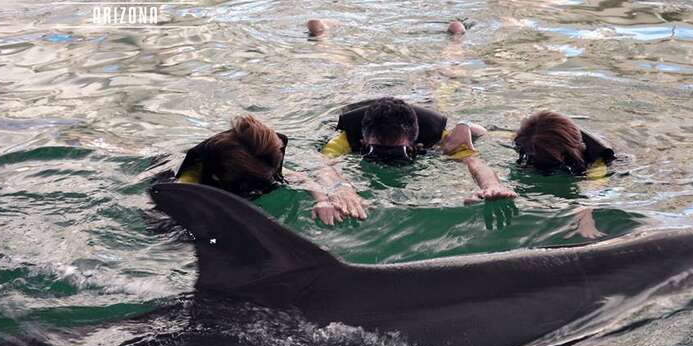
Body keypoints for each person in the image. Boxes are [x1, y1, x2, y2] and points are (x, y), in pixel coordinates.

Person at [315, 97, 516, 221]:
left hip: (422, 106)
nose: (385, 161)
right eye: (374, 152)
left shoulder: (436, 137)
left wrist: (490, 185)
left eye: (396, 154)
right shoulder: (346, 139)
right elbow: (322, 166)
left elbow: (476, 164)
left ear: (415, 147)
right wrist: (339, 187)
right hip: (358, 105)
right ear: (363, 143)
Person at [172, 115, 347, 225]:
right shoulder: (190, 184)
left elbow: (297, 177)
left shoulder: (261, 159)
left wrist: (322, 200)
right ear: (220, 177)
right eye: (261, 180)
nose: (272, 179)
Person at [510, 110, 617, 239]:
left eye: (549, 158)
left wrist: (585, 215)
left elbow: (594, 187)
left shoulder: (598, 161)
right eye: (531, 154)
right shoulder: (527, 139)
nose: (536, 161)